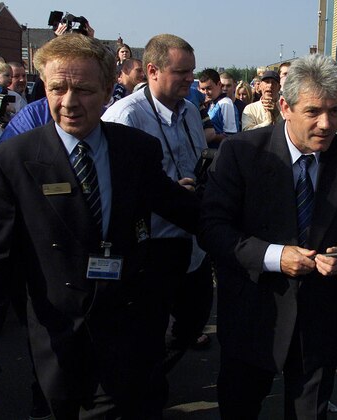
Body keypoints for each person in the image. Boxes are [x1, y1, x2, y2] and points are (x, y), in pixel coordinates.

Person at [0, 33, 199, 419]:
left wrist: (259, 240)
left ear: (107, 90)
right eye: (58, 88)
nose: (68, 102)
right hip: (59, 339)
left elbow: (184, 209)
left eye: (83, 90)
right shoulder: (12, 160)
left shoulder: (136, 149)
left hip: (131, 330)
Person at [199, 53, 337, 419]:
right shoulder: (241, 153)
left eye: (336, 112)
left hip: (319, 319)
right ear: (284, 106)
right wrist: (275, 256)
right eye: (314, 112)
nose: (326, 124)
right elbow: (213, 229)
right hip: (254, 312)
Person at [102, 33, 213, 368]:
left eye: (191, 72)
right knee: (147, 330)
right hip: (153, 245)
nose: (190, 79)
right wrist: (164, 192)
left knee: (195, 318)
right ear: (152, 70)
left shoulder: (192, 110)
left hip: (192, 241)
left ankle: (160, 369)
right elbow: (111, 191)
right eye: (181, 72)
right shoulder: (125, 116)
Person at [198, 68, 238, 142]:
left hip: (220, 151)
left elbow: (231, 136)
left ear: (219, 84)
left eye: (209, 88)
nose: (206, 92)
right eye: (203, 89)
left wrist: (211, 136)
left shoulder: (225, 104)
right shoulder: (211, 103)